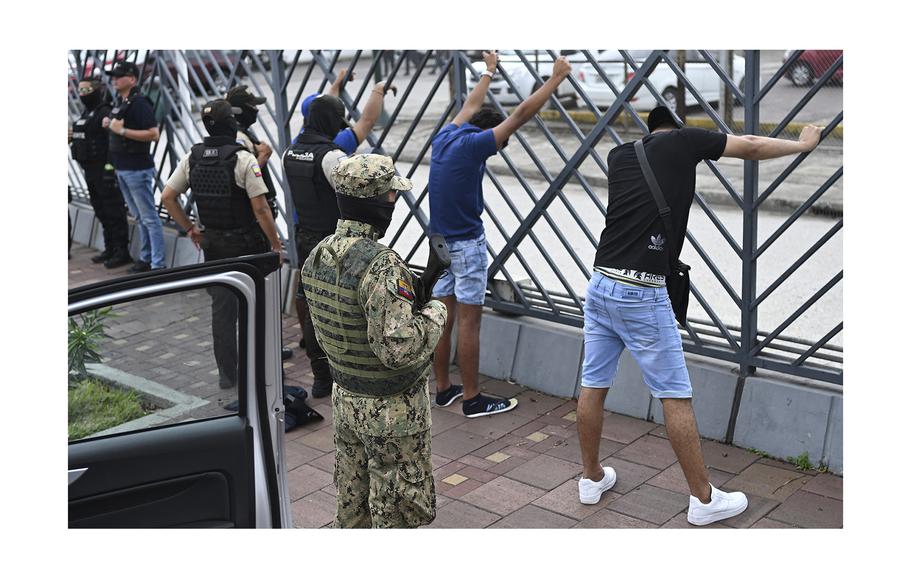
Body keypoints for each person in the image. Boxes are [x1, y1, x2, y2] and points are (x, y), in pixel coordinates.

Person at [575, 105, 823, 525]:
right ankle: (703, 500)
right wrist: (802, 144)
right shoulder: (684, 140)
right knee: (675, 395)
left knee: (593, 384)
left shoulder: (620, 155)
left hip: (600, 283)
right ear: (674, 127)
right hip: (642, 291)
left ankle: (591, 478)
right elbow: (750, 144)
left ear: (648, 130)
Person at [300, 153, 446, 528]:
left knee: (353, 504)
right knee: (395, 510)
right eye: (390, 197)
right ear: (377, 203)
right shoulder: (381, 265)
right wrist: (436, 312)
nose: (394, 203)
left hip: (346, 398)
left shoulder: (316, 255)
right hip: (391, 411)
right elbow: (399, 350)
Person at [428, 51, 572, 418]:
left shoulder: (447, 134)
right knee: (469, 322)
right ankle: (474, 399)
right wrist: (555, 79)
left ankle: (443, 389)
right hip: (465, 245)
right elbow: (520, 115)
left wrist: (489, 71)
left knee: (441, 319)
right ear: (490, 136)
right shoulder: (475, 144)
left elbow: (471, 102)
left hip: (438, 244)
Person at [160, 99, 283, 394]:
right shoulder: (243, 159)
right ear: (231, 124)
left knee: (223, 312)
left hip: (214, 245)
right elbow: (261, 209)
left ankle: (228, 376)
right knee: (256, 308)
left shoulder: (194, 157)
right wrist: (276, 245)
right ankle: (260, 368)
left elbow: (167, 196)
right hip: (247, 247)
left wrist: (190, 228)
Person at [225, 84, 294, 362]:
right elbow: (246, 182)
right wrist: (262, 158)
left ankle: (264, 347)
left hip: (245, 223)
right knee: (261, 287)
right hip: (255, 220)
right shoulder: (239, 137)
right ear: (241, 111)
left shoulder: (237, 134)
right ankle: (266, 350)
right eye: (253, 106)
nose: (257, 111)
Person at [103, 61, 165, 273]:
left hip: (137, 169)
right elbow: (119, 125)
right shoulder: (122, 101)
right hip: (123, 168)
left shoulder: (139, 103)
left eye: (119, 76)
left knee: (149, 218)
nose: (114, 80)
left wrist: (122, 131)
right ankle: (146, 258)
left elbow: (154, 134)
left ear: (132, 79)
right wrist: (110, 124)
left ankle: (158, 265)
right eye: (114, 76)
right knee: (140, 217)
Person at [70, 77, 132, 268]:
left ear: (97, 90)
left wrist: (109, 170)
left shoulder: (104, 112)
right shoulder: (86, 113)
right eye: (80, 90)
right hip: (89, 169)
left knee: (114, 211)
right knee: (101, 210)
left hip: (103, 170)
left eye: (87, 90)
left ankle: (122, 251)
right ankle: (110, 248)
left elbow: (111, 144)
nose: (82, 94)